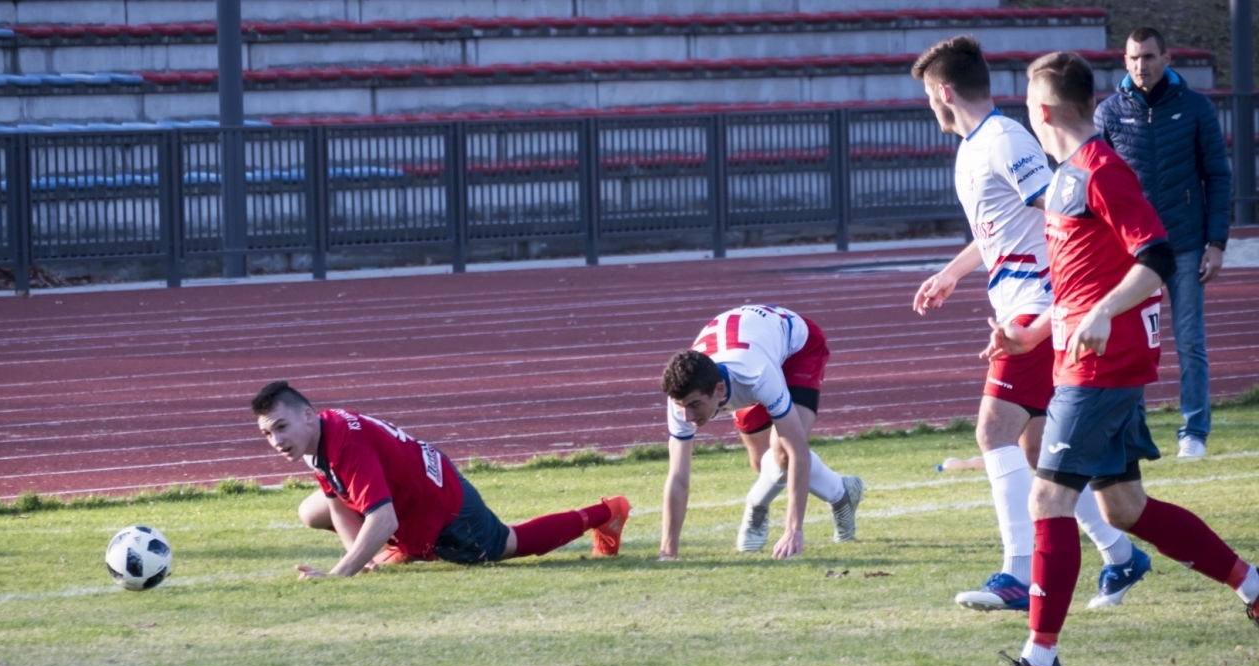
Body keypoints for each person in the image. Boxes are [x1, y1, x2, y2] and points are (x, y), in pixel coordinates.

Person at [979, 51, 1258, 666]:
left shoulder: (1101, 170)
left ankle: (1039, 661)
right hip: (1085, 357)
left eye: (1028, 102)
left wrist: (1104, 312)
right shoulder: (1068, 176)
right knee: (1125, 507)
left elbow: (1156, 256)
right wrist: (1033, 333)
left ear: (1042, 111)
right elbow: (1082, 280)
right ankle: (1253, 585)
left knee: (1048, 499)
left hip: (1101, 366)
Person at [911, 35, 1150, 614]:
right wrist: (950, 273)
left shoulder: (1004, 140)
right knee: (1039, 448)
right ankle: (1120, 555)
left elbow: (1062, 213)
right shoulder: (974, 147)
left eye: (928, 94)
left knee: (993, 429)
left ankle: (1019, 572)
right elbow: (1000, 228)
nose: (929, 104)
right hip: (1022, 304)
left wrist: (1063, 303)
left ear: (944, 91)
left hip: (1038, 305)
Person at [251, 381, 630, 577]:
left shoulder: (344, 443)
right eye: (268, 433)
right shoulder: (317, 433)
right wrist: (361, 560)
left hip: (442, 500)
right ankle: (405, 546)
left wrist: (338, 574)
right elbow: (337, 500)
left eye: (281, 427)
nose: (276, 441)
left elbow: (383, 518)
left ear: (307, 415)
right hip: (414, 482)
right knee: (312, 511)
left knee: (507, 544)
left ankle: (605, 513)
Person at [1095, 27, 1231, 461]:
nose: (1142, 65)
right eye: (1134, 58)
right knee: (1129, 342)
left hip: (1185, 243)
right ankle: (1132, 432)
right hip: (1133, 252)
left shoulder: (1195, 107)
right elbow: (1095, 181)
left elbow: (1217, 176)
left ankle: (1194, 432)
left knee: (1190, 342)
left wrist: (1217, 242)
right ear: (1125, 61)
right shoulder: (1108, 113)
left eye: (1149, 57)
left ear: (1166, 58)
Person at [658, 304, 864, 560]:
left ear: (719, 391)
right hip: (752, 348)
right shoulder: (681, 399)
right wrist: (668, 553)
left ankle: (827, 497)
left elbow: (797, 450)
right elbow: (678, 477)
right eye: (681, 406)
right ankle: (843, 489)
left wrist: (793, 530)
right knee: (764, 463)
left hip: (798, 349)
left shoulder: (757, 376)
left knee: (783, 454)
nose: (687, 417)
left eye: (695, 405)